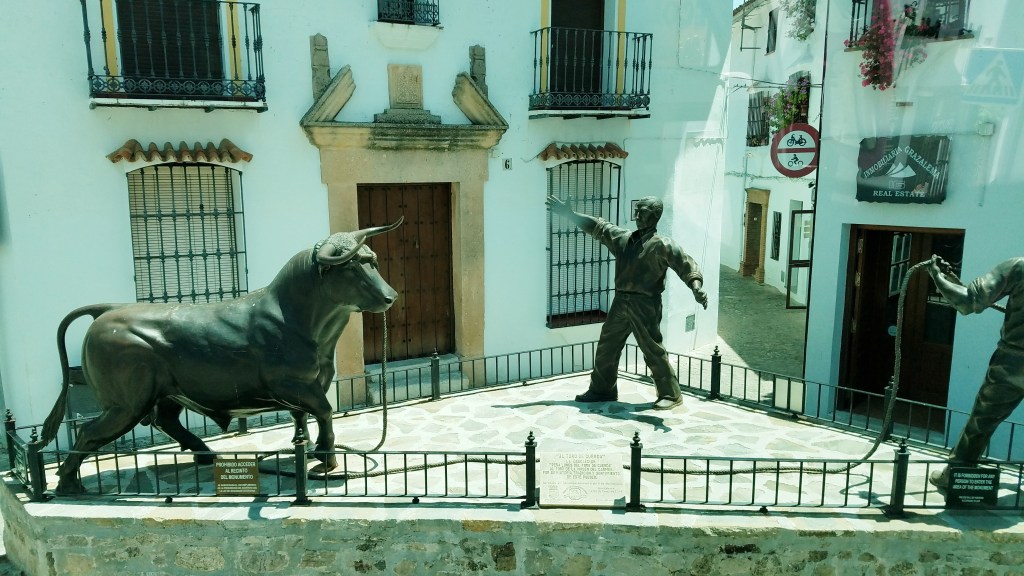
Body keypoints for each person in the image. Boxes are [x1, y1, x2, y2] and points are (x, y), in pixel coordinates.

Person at [546, 194, 709, 410]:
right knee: (607, 345)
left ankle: (671, 393)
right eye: (637, 211)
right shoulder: (623, 238)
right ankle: (602, 388)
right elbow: (599, 228)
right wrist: (571, 215)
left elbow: (685, 264)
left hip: (646, 304)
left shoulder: (663, 245)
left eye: (642, 212)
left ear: (655, 215)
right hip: (621, 300)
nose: (637, 216)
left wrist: (696, 287)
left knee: (652, 349)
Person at [926, 254, 1024, 489]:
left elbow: (968, 302)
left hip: (1013, 363)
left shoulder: (1018, 266)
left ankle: (957, 472)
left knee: (982, 421)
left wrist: (937, 277)